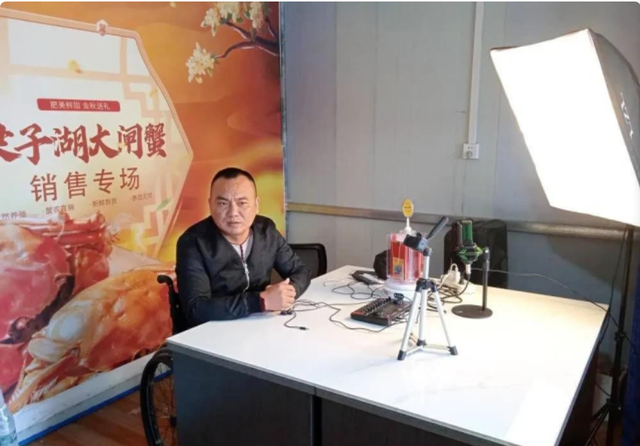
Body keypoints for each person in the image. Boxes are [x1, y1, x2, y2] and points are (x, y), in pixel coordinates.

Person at [176, 167, 311, 326]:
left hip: (260, 324)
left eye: (242, 203)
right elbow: (196, 309)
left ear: (256, 204)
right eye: (223, 203)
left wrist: (288, 293)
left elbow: (300, 271)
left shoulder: (266, 230)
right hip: (213, 331)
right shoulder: (193, 243)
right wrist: (260, 301)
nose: (233, 212)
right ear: (210, 204)